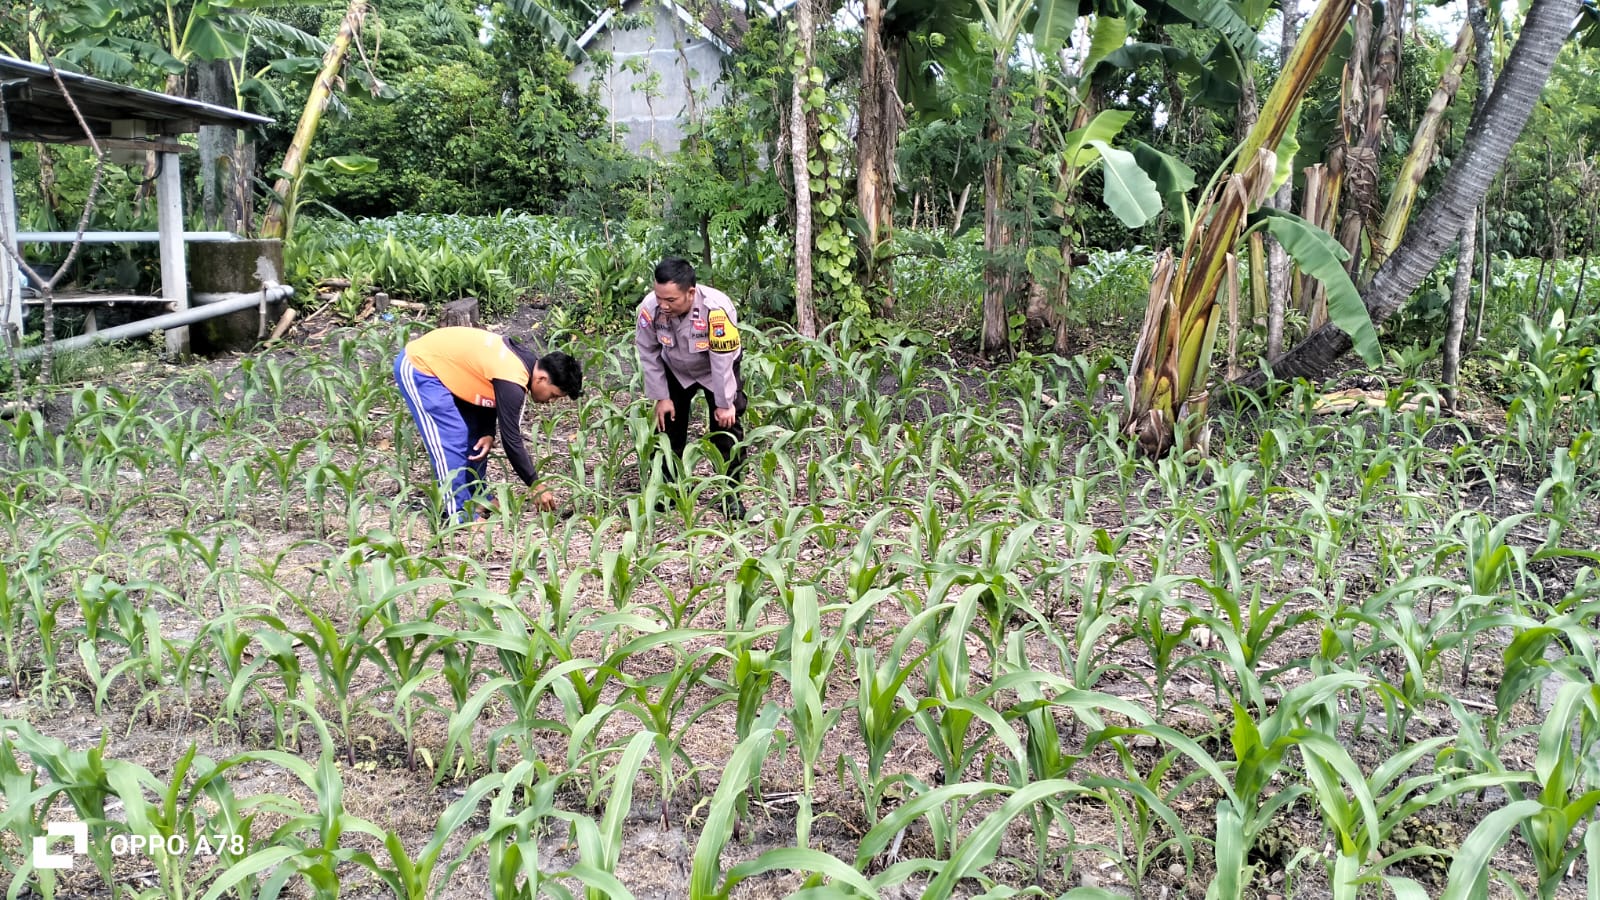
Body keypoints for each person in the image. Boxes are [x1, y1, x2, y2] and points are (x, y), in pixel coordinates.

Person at [392, 325, 582, 524]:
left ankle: (475, 497)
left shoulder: (525, 363)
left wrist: (487, 430)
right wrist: (535, 484)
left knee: (478, 438)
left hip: (448, 368)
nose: (550, 402)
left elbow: (486, 385)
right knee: (453, 437)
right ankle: (457, 516)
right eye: (553, 395)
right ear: (542, 378)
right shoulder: (513, 379)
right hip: (421, 366)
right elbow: (511, 440)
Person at [635, 257, 752, 521]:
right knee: (668, 426)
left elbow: (722, 361)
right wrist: (661, 396)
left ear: (691, 292)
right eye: (659, 297)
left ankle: (730, 493)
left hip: (714, 370)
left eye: (671, 300)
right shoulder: (650, 309)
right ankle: (668, 490)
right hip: (675, 367)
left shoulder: (717, 309)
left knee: (726, 428)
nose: (663, 305)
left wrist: (725, 402)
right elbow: (648, 352)